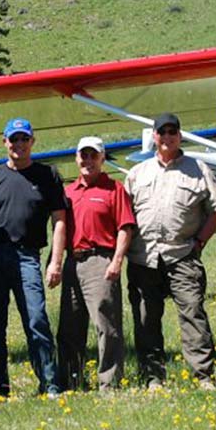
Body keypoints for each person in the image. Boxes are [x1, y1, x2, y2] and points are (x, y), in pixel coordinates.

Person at [125, 113, 216, 390]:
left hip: (182, 254)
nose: (167, 137)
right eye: (162, 132)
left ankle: (203, 376)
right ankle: (152, 377)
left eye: (173, 132)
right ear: (154, 137)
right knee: (146, 318)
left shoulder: (198, 168)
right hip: (142, 257)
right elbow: (124, 216)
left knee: (193, 313)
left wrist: (200, 243)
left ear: (180, 135)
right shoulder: (137, 173)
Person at [0, 117, 66, 398]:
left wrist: (56, 260)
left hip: (28, 256)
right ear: (4, 142)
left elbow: (60, 220)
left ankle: (49, 383)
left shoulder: (47, 175)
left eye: (24, 139)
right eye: (13, 139)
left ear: (33, 141)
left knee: (36, 319)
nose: (19, 144)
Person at [57, 136, 135, 391]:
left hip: (101, 260)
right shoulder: (68, 192)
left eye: (94, 155)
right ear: (76, 158)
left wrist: (117, 260)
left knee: (106, 324)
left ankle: (110, 383)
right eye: (84, 155)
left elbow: (125, 227)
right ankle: (71, 381)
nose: (88, 160)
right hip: (73, 261)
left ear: (102, 159)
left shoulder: (114, 189)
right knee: (69, 327)